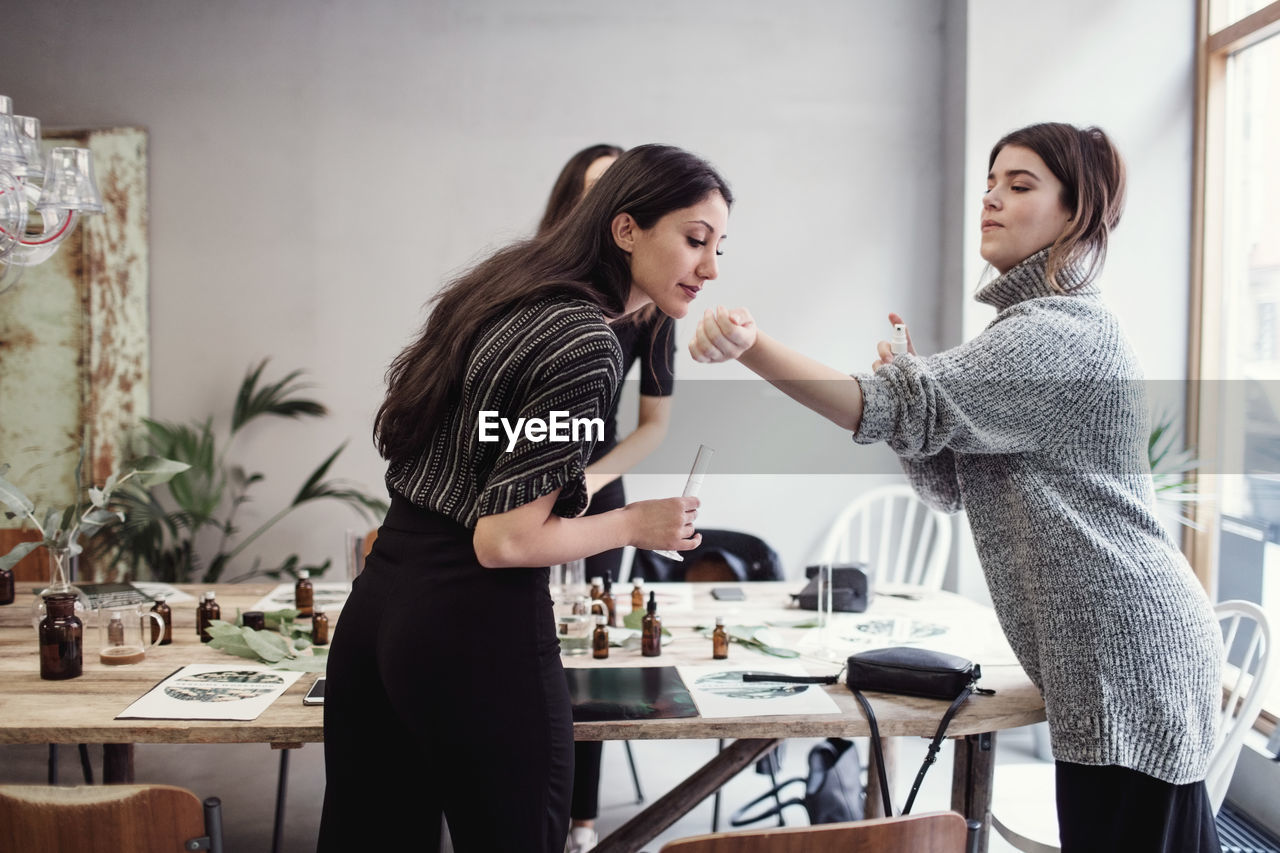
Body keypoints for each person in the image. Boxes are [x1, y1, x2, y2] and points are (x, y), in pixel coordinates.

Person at [690, 122, 1222, 852]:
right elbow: (946, 484)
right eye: (991, 182)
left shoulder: (1056, 332)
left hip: (1128, 653)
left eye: (1021, 184)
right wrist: (919, 400)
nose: (993, 198)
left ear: (1076, 212)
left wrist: (754, 346)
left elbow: (887, 406)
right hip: (1113, 653)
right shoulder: (1032, 325)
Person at [318, 143, 732, 852]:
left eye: (720, 245)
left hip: (379, 609)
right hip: (472, 626)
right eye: (695, 240)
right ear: (626, 229)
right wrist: (635, 522)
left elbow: (479, 444)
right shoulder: (585, 340)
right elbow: (504, 539)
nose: (711, 267)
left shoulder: (506, 289)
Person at [536, 144, 679, 853]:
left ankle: (582, 821)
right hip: (529, 487)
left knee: (587, 657)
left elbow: (654, 426)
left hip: (597, 483)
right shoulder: (537, 295)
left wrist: (592, 479)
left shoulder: (655, 305)